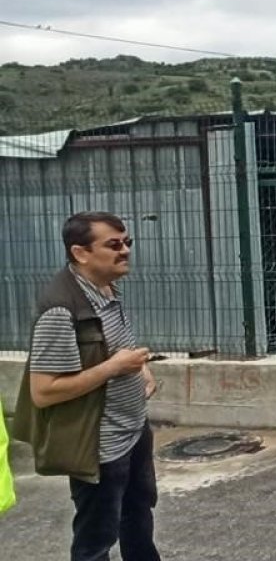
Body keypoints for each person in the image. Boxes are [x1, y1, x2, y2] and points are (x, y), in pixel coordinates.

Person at [11, 212, 161, 560]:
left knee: (138, 516)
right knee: (96, 539)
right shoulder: (60, 310)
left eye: (127, 242)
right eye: (114, 245)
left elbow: (112, 347)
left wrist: (139, 369)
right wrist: (115, 367)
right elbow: (43, 391)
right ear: (80, 253)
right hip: (100, 445)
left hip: (133, 430)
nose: (125, 251)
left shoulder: (103, 287)